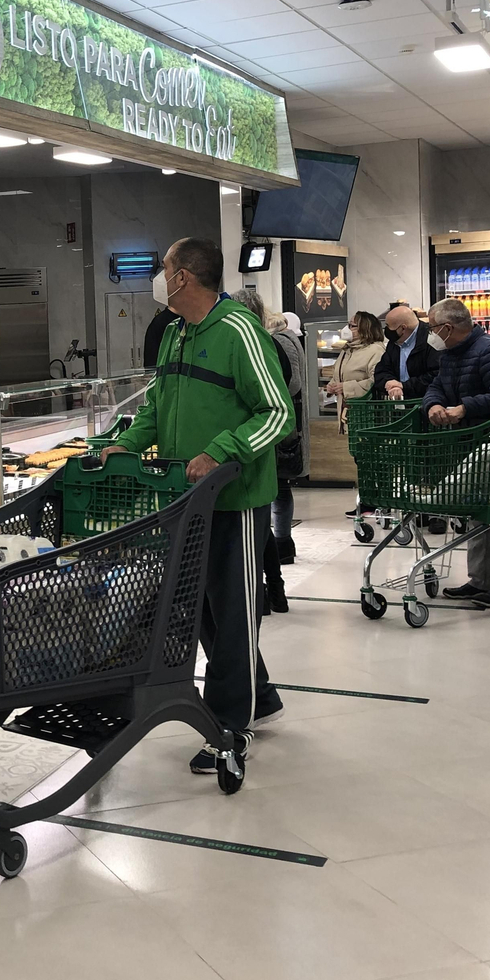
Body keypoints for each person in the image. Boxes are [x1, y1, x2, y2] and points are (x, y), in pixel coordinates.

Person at [104, 239, 294, 773]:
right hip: (184, 501)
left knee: (233, 614)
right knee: (201, 609)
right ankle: (260, 694)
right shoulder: (173, 334)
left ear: (184, 277)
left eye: (164, 268)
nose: (160, 277)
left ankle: (231, 723)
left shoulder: (238, 331)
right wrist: (127, 443)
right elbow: (157, 406)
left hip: (235, 500)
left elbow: (279, 414)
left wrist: (221, 450)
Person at [422, 297, 490, 607]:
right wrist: (434, 404)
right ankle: (480, 579)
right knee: (477, 513)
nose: (430, 335)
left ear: (447, 327)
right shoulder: (452, 355)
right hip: (472, 444)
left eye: (431, 328)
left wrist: (464, 408)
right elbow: (437, 386)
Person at [232, 288, 304, 613]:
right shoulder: (267, 341)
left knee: (256, 526)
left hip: (255, 445)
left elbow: (279, 397)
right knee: (261, 525)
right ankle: (274, 589)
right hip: (264, 443)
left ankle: (264, 592)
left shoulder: (258, 344)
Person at [327, 311, 386, 426]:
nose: (346, 329)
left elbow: (377, 381)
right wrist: (333, 384)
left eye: (352, 326)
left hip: (367, 413)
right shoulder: (347, 350)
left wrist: (346, 388)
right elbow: (340, 373)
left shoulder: (375, 351)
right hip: (348, 410)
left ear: (365, 329)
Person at [374, 304, 441, 402]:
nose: (386, 330)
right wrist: (390, 383)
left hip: (426, 402)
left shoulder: (432, 340)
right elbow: (382, 369)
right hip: (398, 403)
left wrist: (404, 386)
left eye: (388, 326)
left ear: (403, 328)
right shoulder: (394, 342)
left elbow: (435, 375)